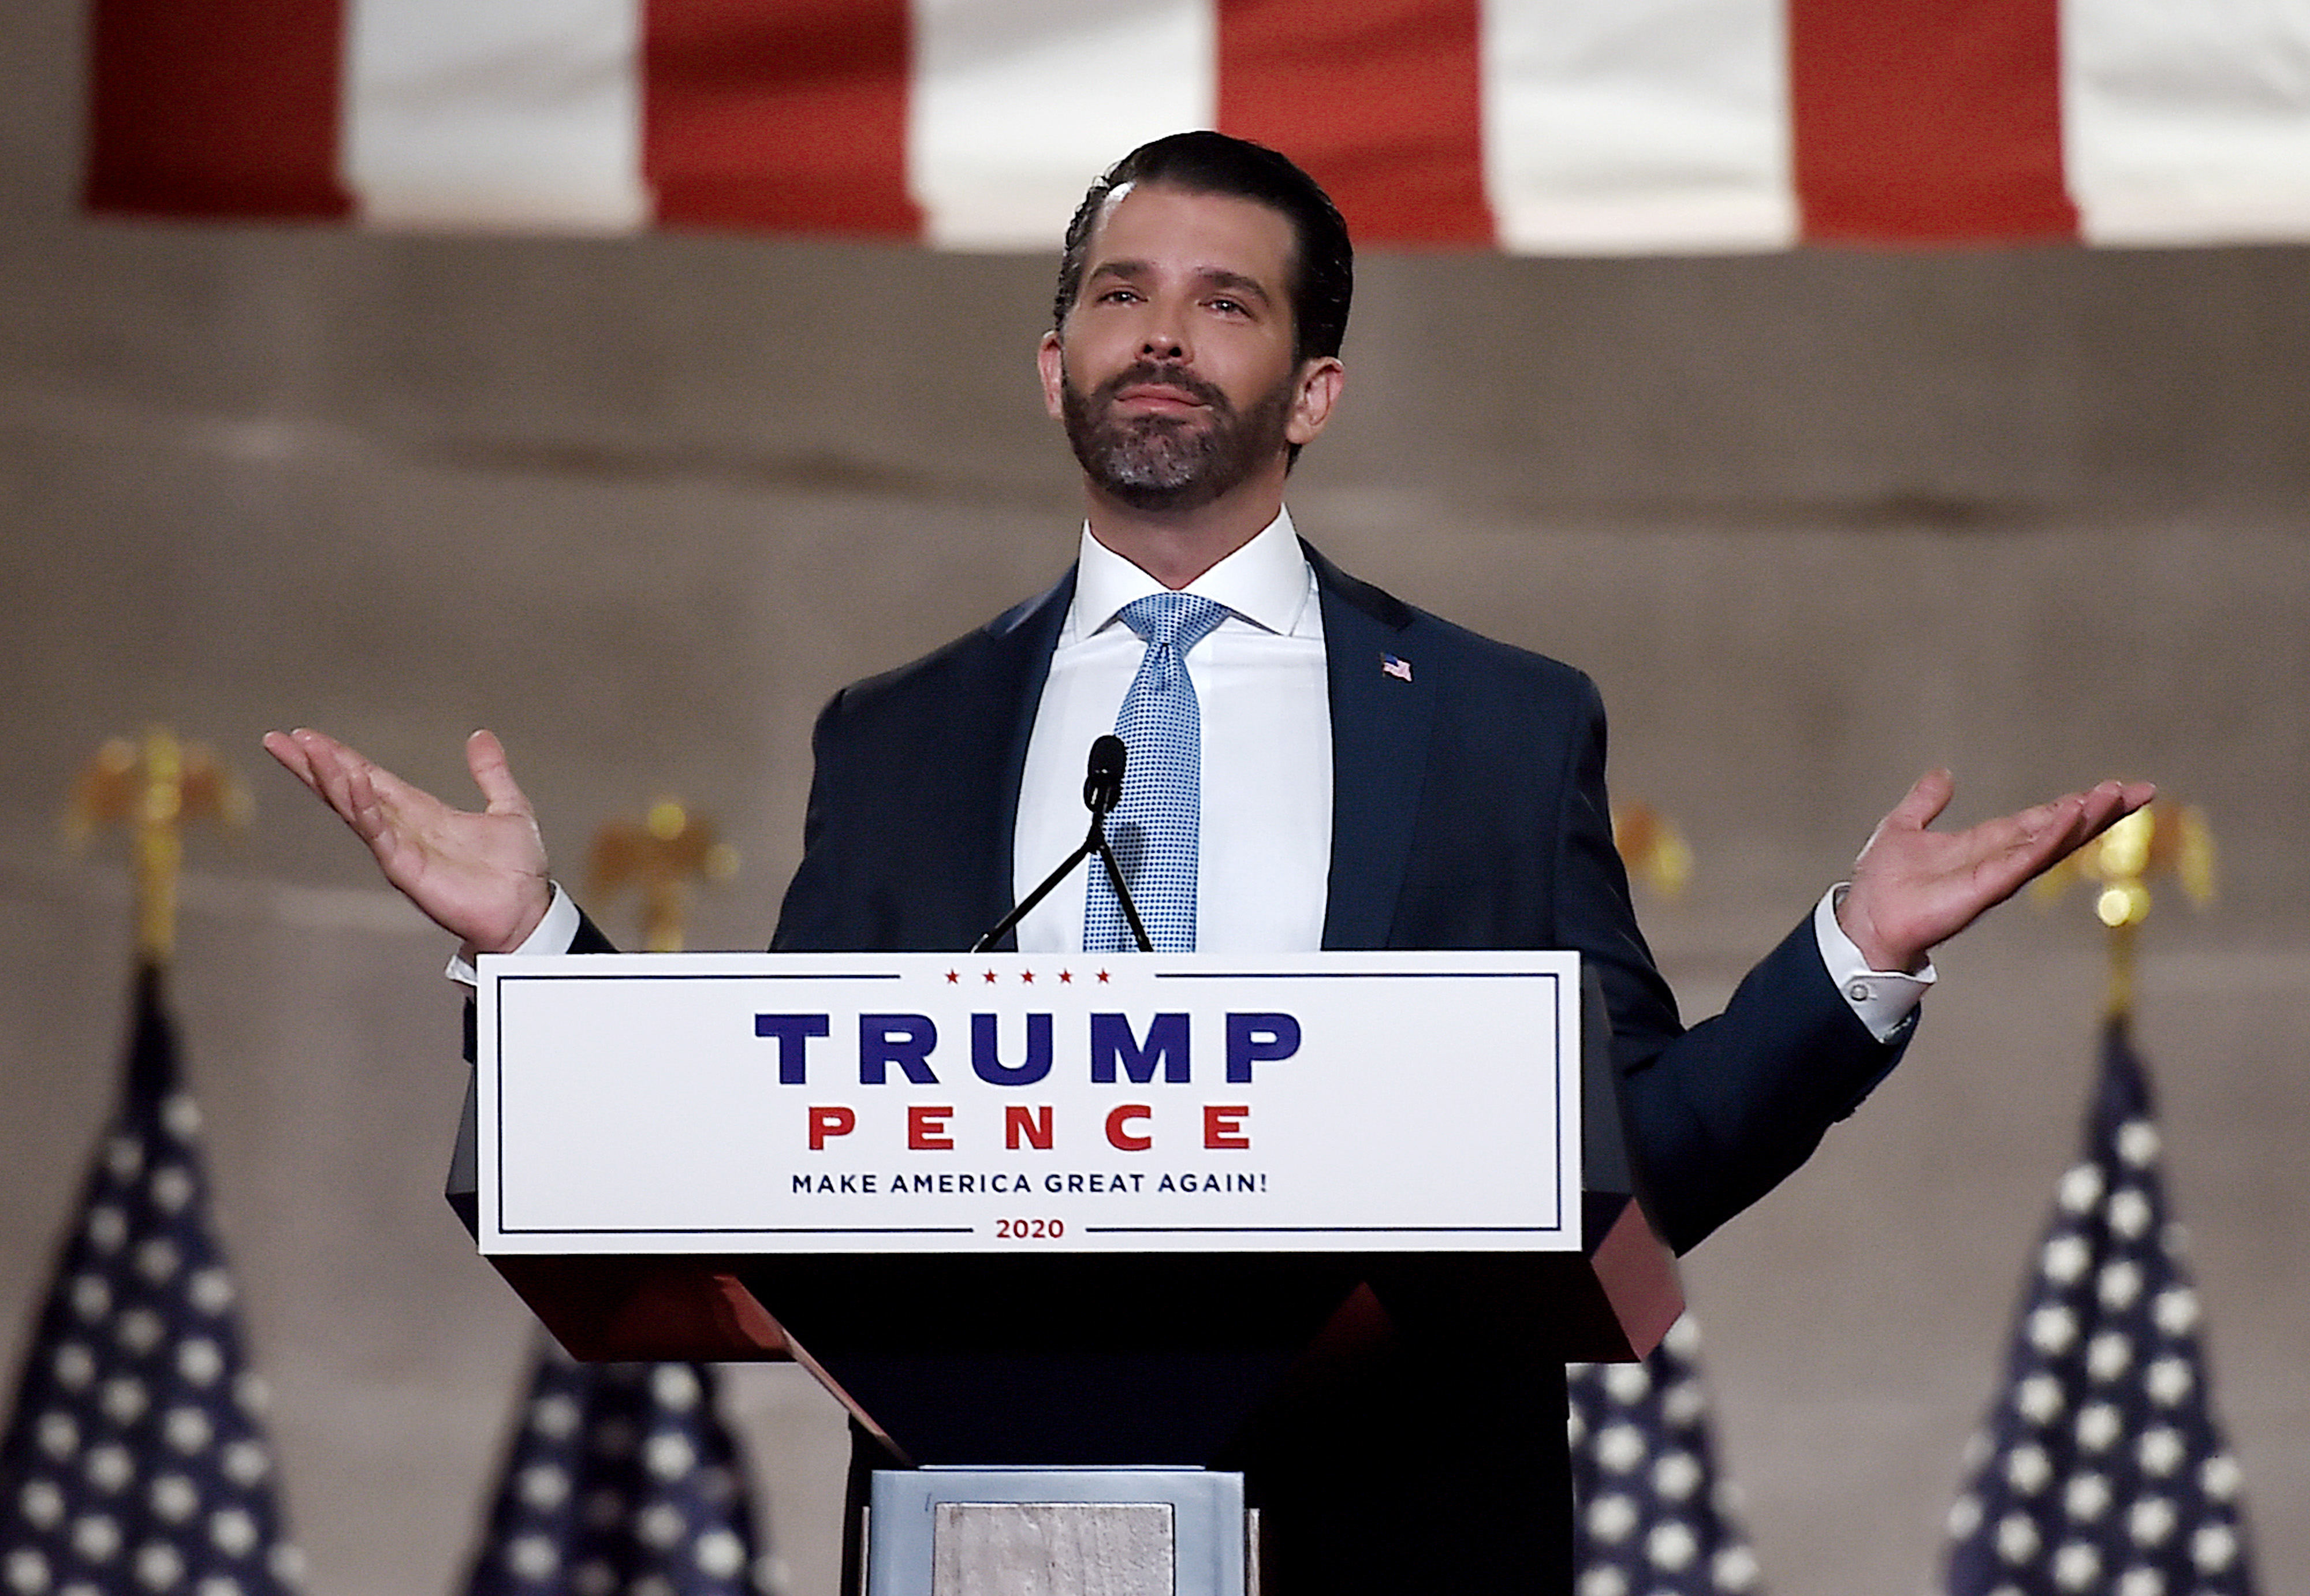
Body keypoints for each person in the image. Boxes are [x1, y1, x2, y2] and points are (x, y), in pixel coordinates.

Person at [267, 132, 2151, 1594]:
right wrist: (540, 951)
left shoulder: (1499, 724)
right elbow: (779, 1137)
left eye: (1225, 303)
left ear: (1312, 391)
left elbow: (1629, 1162)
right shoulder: (897, 731)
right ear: (1054, 360)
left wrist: (1849, 962)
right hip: (977, 1532)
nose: (1160, 332)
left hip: (1398, 1528)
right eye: (1119, 294)